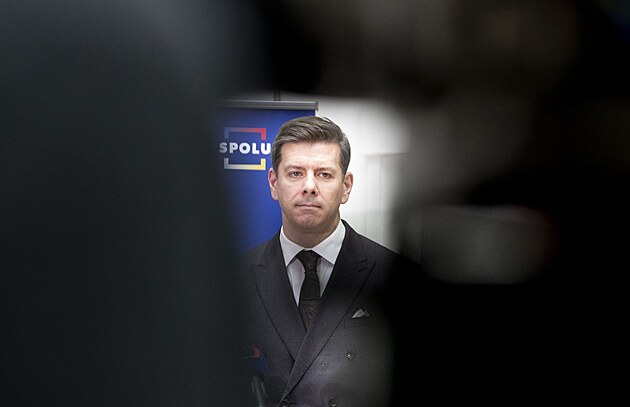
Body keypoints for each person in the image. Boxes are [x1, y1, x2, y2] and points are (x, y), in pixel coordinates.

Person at [238, 116, 420, 407]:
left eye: (324, 174)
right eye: (295, 173)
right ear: (274, 183)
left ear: (346, 186)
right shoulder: (234, 279)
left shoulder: (399, 277)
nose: (309, 186)